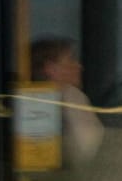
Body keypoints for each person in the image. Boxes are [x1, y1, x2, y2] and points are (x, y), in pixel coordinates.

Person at [29, 36, 103, 169]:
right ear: (51, 69)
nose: (78, 66)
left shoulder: (75, 96)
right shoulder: (35, 108)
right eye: (70, 60)